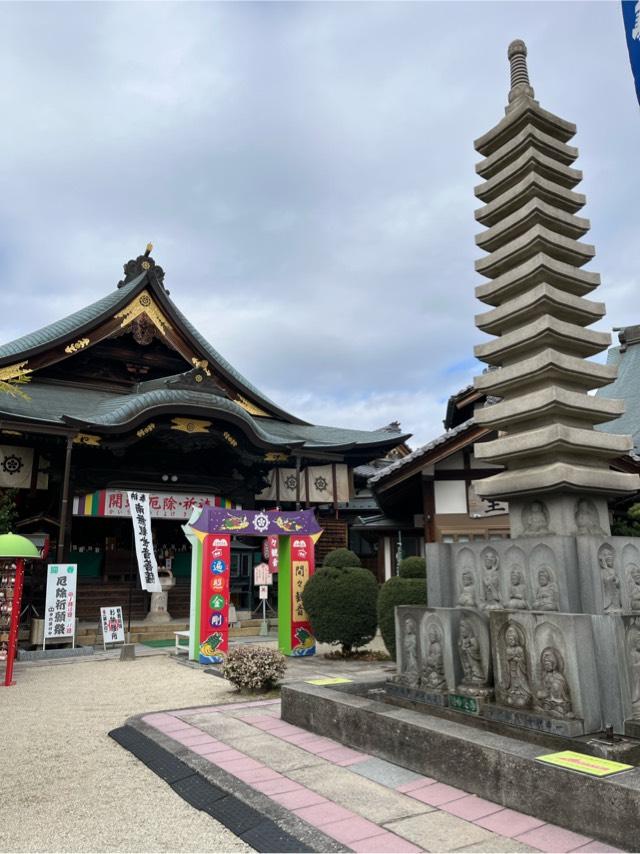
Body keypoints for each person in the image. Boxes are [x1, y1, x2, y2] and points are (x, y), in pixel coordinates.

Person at [536, 647, 573, 718]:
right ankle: (550, 711)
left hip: (558, 702)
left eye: (548, 664)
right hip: (548, 700)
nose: (546, 667)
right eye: (545, 664)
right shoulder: (545, 676)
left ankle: (557, 712)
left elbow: (563, 691)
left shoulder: (558, 677)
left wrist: (553, 688)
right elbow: (543, 689)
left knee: (559, 708)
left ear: (554, 663)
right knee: (545, 704)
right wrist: (544, 693)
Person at [501, 624, 532, 708]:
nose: (510, 641)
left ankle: (521, 691)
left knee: (519, 678)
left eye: (512, 640)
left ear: (516, 639)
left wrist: (517, 659)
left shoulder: (519, 649)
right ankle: (513, 690)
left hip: (519, 669)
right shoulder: (507, 649)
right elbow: (506, 659)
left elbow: (523, 660)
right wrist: (509, 659)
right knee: (512, 678)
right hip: (511, 668)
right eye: (509, 640)